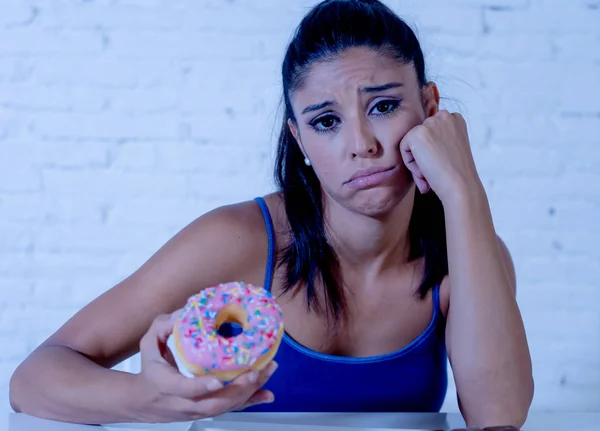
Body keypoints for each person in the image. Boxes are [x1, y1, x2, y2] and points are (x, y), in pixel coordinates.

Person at [9, 0, 534, 428]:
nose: (362, 144)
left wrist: (464, 191)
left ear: (430, 108)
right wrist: (148, 399)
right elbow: (32, 379)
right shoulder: (239, 241)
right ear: (298, 139)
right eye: (326, 121)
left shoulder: (465, 251)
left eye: (383, 107)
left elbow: (499, 415)